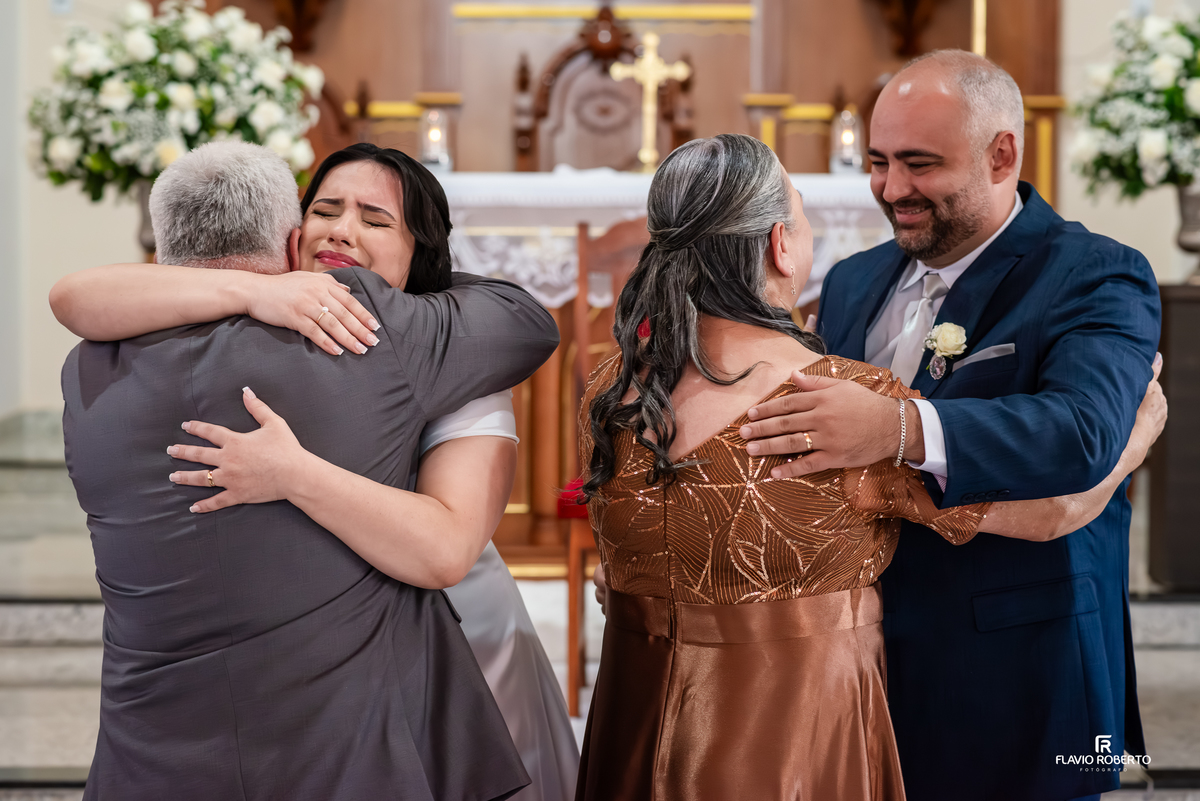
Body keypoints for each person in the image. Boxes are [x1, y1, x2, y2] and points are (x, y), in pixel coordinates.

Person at [574, 133, 1164, 801]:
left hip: (638, 713)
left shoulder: (611, 389)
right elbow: (1054, 513)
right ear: (779, 243)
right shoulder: (835, 402)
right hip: (790, 733)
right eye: (800, 212)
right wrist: (1139, 436)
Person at [53, 143, 581, 801]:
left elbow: (446, 548)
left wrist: (293, 472)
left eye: (376, 219)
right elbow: (73, 294)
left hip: (438, 636)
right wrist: (261, 289)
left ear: (422, 251)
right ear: (294, 234)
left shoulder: (88, 369)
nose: (343, 231)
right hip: (341, 720)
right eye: (327, 209)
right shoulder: (378, 326)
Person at [738, 51, 1162, 801]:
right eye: (878, 162)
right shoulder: (854, 278)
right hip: (862, 655)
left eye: (920, 164)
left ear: (1002, 154)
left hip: (1019, 661)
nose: (892, 189)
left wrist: (898, 428)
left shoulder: (1096, 272)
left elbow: (1084, 431)